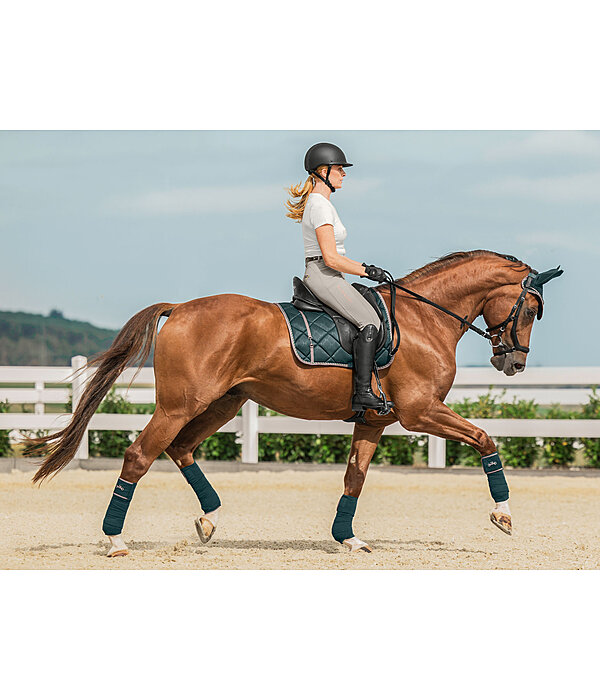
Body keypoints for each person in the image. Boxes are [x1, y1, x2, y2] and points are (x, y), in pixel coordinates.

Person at [285, 142, 388, 412]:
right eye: (339, 169)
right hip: (324, 274)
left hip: (331, 273)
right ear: (323, 171)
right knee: (370, 322)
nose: (344, 174)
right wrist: (367, 270)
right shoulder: (319, 206)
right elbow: (330, 258)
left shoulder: (323, 204)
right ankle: (363, 393)